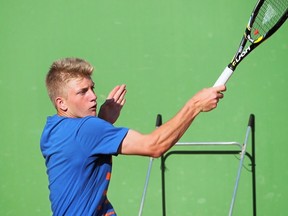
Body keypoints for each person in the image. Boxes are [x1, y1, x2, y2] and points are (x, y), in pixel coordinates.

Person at [40, 57, 226, 216]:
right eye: (82, 92)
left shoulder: (52, 129)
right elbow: (154, 146)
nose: (94, 96)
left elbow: (81, 154)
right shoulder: (88, 129)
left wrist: (103, 121)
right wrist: (195, 105)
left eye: (92, 88)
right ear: (61, 103)